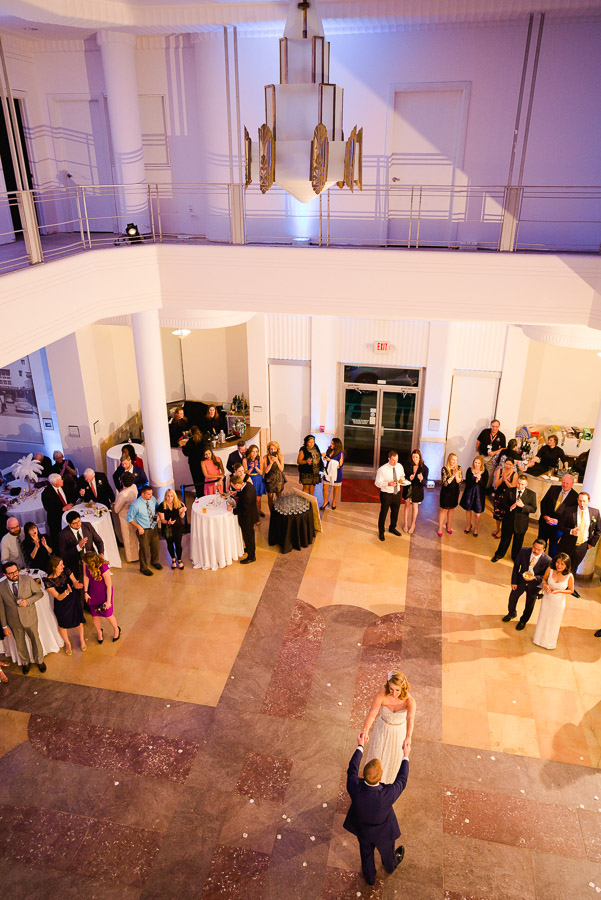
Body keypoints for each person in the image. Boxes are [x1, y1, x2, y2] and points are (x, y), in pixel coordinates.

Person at [344, 723, 410, 886]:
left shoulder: (354, 786)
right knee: (388, 852)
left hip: (363, 830)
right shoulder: (388, 794)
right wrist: (405, 755)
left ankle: (369, 877)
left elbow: (352, 769)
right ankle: (390, 866)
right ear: (380, 778)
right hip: (384, 832)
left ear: (364, 776)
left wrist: (360, 745)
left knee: (366, 853)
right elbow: (402, 780)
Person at [360, 671, 416, 782]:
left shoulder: (410, 701)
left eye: (397, 690)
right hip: (382, 729)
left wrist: (408, 737)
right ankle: (371, 780)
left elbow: (410, 719)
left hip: (398, 732)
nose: (394, 693)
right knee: (377, 754)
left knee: (394, 758)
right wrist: (365, 730)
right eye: (391, 689)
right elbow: (372, 713)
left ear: (403, 688)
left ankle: (387, 783)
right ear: (388, 685)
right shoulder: (381, 695)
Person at [0, 561, 46, 674]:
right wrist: (4, 626)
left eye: (16, 571)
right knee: (20, 643)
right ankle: (25, 663)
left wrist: (28, 601)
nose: (14, 574)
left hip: (30, 617)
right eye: (10, 573)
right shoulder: (1, 587)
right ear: (5, 574)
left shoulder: (28, 580)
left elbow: (39, 594)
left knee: (35, 640)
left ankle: (40, 661)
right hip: (13, 621)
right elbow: (1, 608)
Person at [502, 538, 551, 630]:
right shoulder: (524, 551)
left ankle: (523, 620)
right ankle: (511, 613)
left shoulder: (547, 560)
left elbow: (545, 576)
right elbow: (516, 566)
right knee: (513, 598)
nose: (535, 551)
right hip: (520, 581)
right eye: (534, 548)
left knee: (529, 604)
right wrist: (514, 581)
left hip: (534, 585)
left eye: (539, 549)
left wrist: (535, 578)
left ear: (544, 549)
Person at [558, 492, 601, 591]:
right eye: (580, 501)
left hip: (582, 546)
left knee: (574, 567)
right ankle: (558, 583)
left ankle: (569, 587)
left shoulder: (595, 513)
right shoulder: (569, 511)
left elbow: (598, 531)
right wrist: (570, 531)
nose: (582, 504)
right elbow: (560, 526)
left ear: (588, 501)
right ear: (577, 500)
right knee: (562, 564)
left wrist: (591, 544)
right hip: (567, 543)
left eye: (584, 501)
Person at [44, 555, 85, 655]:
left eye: (62, 564)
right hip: (61, 603)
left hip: (73, 599)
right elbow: (58, 597)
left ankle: (82, 640)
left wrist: (77, 585)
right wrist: (66, 592)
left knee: (78, 621)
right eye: (60, 565)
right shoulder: (48, 581)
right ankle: (68, 644)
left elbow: (74, 581)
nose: (63, 566)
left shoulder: (66, 571)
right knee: (62, 625)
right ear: (54, 567)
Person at [491, 474, 537, 562]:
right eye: (519, 483)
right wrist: (509, 507)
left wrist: (523, 506)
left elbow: (533, 509)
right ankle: (499, 554)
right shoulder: (509, 491)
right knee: (504, 540)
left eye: (522, 484)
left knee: (518, 543)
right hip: (508, 521)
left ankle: (515, 557)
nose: (520, 486)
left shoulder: (531, 494)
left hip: (521, 523)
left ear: (526, 484)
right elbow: (501, 504)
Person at [533, 553, 574, 650]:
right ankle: (538, 639)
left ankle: (550, 643)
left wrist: (559, 591)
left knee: (554, 622)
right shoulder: (550, 570)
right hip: (547, 599)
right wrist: (546, 586)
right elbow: (544, 580)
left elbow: (571, 590)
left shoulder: (569, 576)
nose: (559, 566)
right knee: (543, 618)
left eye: (562, 564)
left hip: (558, 603)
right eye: (558, 562)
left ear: (566, 566)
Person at [82, 551, 120, 643]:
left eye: (85, 562)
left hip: (104, 594)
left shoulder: (103, 567)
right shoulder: (85, 565)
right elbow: (86, 576)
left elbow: (108, 585)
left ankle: (116, 629)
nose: (83, 562)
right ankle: (99, 632)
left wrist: (108, 601)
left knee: (108, 615)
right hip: (92, 593)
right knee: (95, 615)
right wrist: (86, 592)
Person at [537, 473, 579, 557]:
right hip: (545, 523)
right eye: (563, 482)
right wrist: (545, 516)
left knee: (554, 548)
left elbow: (572, 516)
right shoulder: (553, 489)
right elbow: (543, 502)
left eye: (567, 483)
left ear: (572, 484)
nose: (564, 485)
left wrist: (558, 521)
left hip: (558, 528)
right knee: (540, 544)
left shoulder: (575, 497)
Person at [58, 510, 105, 582]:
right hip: (77, 565)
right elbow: (63, 554)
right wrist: (78, 547)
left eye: (79, 521)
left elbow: (99, 541)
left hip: (91, 560)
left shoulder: (87, 526)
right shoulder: (63, 534)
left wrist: (101, 553)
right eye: (74, 523)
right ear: (68, 523)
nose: (78, 524)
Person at [126, 485, 163, 576]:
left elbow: (157, 509)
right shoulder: (136, 505)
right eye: (148, 494)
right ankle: (144, 568)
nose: (151, 496)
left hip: (153, 527)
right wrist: (138, 527)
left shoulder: (153, 499)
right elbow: (129, 518)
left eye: (151, 494)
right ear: (142, 494)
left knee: (156, 546)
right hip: (143, 530)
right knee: (144, 550)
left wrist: (157, 516)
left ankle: (154, 561)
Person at [375, 451, 405, 542]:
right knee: (383, 513)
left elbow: (402, 476)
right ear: (389, 459)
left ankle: (392, 528)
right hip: (386, 494)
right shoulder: (382, 469)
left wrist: (401, 480)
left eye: (396, 460)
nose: (395, 462)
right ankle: (381, 531)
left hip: (397, 493)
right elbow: (377, 483)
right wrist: (388, 483)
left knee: (395, 512)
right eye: (393, 460)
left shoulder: (399, 466)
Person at [230, 475, 259, 564]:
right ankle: (250, 549)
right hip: (252, 514)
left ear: (238, 485)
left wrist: (231, 509)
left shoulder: (246, 495)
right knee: (249, 536)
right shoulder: (249, 485)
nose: (234, 488)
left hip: (247, 518)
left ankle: (251, 556)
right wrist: (236, 493)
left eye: (234, 486)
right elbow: (243, 492)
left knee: (248, 536)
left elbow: (243, 510)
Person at [112, 472, 139, 562]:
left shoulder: (123, 494)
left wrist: (116, 502)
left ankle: (132, 557)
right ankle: (138, 553)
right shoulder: (134, 487)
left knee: (128, 537)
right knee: (134, 535)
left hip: (125, 517)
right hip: (134, 514)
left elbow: (116, 509)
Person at [157, 488, 186, 569]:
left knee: (178, 544)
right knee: (169, 544)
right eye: (168, 496)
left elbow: (181, 516)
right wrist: (167, 522)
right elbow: (162, 520)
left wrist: (183, 511)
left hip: (177, 527)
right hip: (167, 528)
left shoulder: (178, 504)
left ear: (174, 496)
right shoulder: (162, 506)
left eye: (171, 496)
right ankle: (173, 559)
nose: (170, 498)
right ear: (165, 496)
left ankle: (179, 560)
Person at [460, 455, 488, 536]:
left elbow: (485, 485)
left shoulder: (485, 472)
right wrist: (475, 480)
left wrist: (480, 480)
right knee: (468, 510)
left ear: (481, 464)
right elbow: (467, 483)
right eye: (475, 462)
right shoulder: (470, 470)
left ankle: (476, 528)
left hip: (479, 495)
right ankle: (469, 525)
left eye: (478, 463)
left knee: (477, 513)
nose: (476, 464)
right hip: (470, 493)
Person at [491, 457, 518, 539]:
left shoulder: (515, 474)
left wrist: (506, 480)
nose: (508, 466)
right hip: (499, 495)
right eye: (506, 464)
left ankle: (502, 530)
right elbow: (496, 484)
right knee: (497, 514)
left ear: (513, 465)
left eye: (510, 464)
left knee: (504, 515)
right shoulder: (500, 471)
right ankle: (497, 528)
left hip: (507, 497)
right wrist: (502, 478)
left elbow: (513, 487)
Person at [402, 449, 428, 534]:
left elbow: (425, 483)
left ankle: (413, 524)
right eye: (413, 457)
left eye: (416, 457)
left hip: (417, 491)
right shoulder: (407, 465)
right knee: (406, 505)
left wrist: (421, 479)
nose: (415, 459)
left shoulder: (424, 468)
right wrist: (409, 477)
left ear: (420, 457)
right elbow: (404, 476)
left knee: (414, 507)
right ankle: (405, 524)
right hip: (408, 489)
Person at [438, 453, 462, 537]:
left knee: (452, 509)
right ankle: (440, 527)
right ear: (449, 460)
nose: (454, 462)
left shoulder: (459, 468)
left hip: (455, 492)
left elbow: (459, 481)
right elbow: (445, 483)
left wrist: (456, 475)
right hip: (446, 493)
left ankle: (449, 526)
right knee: (443, 510)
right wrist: (452, 475)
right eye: (453, 460)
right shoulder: (444, 469)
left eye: (456, 460)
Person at [182, 426, 209, 496]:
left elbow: (186, 453)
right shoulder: (203, 440)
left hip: (193, 464)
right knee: (203, 479)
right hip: (202, 463)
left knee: (196, 481)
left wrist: (183, 446)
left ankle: (199, 495)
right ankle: (204, 494)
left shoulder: (190, 442)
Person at [322, 438, 344, 511]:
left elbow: (340, 464)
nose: (331, 445)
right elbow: (328, 458)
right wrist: (325, 457)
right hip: (328, 471)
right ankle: (325, 501)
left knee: (335, 488)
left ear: (336, 445)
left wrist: (330, 460)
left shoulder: (341, 453)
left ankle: (334, 501)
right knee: (325, 487)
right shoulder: (329, 450)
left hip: (336, 473)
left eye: (332, 444)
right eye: (331, 443)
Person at [262, 441, 285, 511]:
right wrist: (271, 463)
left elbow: (281, 469)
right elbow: (266, 471)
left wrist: (277, 461)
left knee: (279, 496)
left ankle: (280, 511)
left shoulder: (281, 456)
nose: (273, 450)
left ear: (277, 449)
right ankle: (272, 513)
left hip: (278, 478)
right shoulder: (265, 457)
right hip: (269, 479)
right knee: (270, 497)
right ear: (268, 449)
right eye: (271, 449)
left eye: (274, 449)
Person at [244, 444, 266, 517]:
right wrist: (251, 468)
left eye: (256, 451)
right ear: (250, 452)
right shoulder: (245, 460)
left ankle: (258, 514)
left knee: (258, 500)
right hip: (250, 480)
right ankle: (252, 515)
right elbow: (245, 472)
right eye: (253, 451)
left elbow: (261, 472)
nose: (255, 453)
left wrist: (256, 467)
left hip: (258, 479)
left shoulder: (260, 459)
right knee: (251, 500)